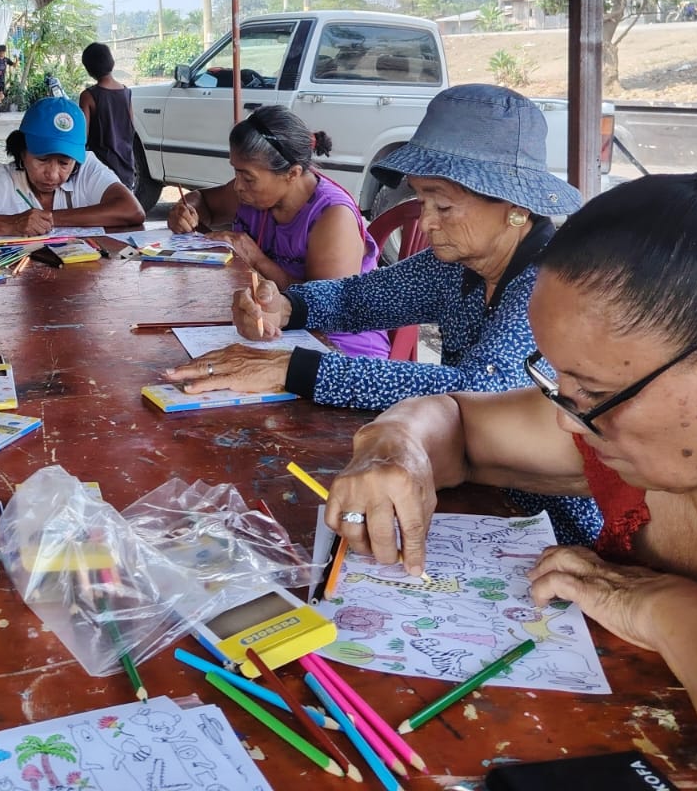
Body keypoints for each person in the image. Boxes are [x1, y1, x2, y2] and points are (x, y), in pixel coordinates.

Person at [323, 169, 697, 789]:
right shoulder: (652, 412)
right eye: (561, 384)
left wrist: (664, 606)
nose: (568, 423)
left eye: (593, 393)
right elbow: (458, 423)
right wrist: (393, 445)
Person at [167, 85, 597, 543]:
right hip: (472, 494)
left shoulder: (548, 285)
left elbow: (476, 393)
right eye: (422, 201)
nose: (426, 222)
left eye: (442, 205)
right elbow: (358, 297)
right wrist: (288, 306)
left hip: (552, 525)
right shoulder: (457, 264)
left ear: (514, 209)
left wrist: (293, 369)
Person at [168, 107, 387, 357]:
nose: (237, 186)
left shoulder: (333, 216)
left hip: (340, 346)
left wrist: (255, 258)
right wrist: (186, 211)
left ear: (292, 173)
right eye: (235, 172)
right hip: (271, 329)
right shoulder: (249, 195)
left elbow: (330, 308)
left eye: (248, 178)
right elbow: (203, 202)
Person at [0, 97, 146, 236]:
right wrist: (11, 224)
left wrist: (50, 219)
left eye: (64, 163)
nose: (52, 174)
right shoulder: (4, 182)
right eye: (42, 159)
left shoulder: (87, 168)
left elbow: (132, 211)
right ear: (22, 152)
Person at [77, 41, 136, 190]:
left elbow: (82, 136)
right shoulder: (126, 92)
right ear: (112, 63)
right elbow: (130, 128)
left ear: (89, 69)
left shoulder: (88, 96)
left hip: (101, 169)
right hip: (126, 165)